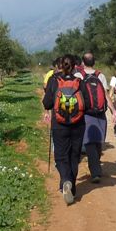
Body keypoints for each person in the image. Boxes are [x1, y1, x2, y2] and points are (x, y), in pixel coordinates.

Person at [42, 54, 85, 205]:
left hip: (59, 124)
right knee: (74, 155)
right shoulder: (79, 82)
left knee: (61, 156)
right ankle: (71, 187)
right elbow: (87, 104)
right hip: (78, 124)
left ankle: (66, 180)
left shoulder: (54, 80)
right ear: (74, 66)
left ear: (60, 65)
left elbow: (47, 103)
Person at [79, 52, 111, 182]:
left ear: (83, 62)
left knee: (89, 142)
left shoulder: (79, 76)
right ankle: (96, 167)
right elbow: (106, 95)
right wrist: (114, 111)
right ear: (94, 62)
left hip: (86, 113)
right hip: (100, 114)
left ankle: (95, 171)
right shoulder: (100, 76)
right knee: (98, 142)